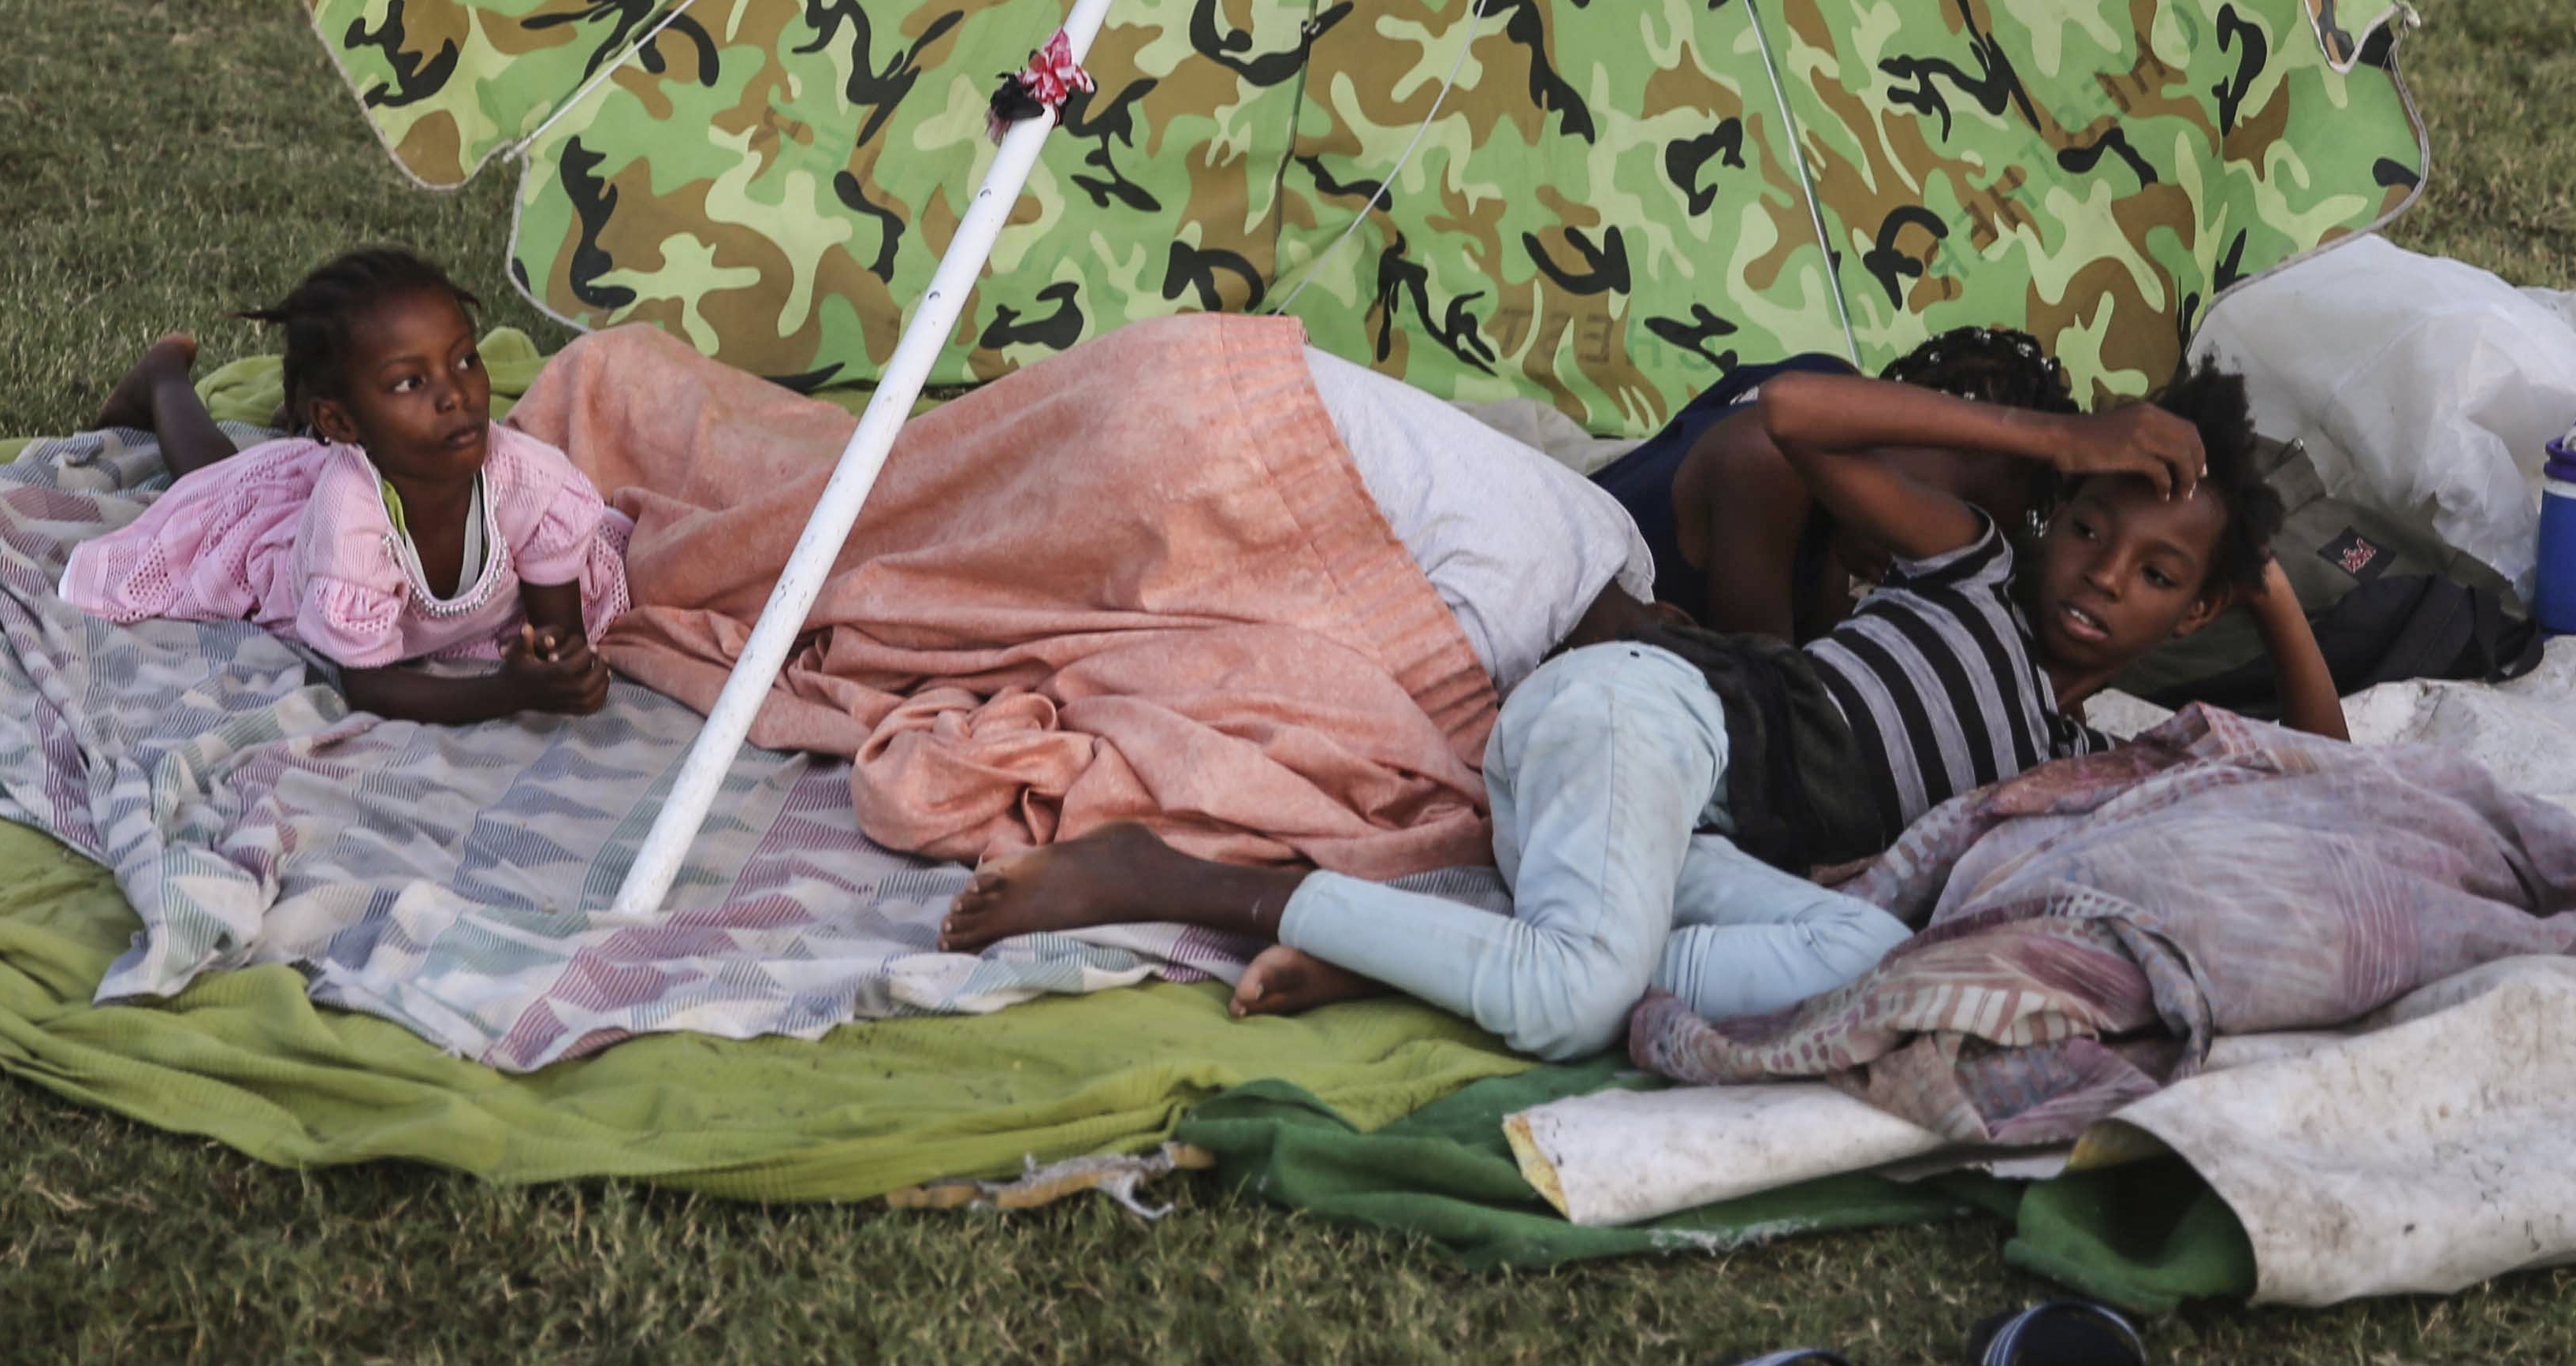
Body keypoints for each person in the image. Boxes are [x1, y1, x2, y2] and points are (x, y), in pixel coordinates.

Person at [937, 363, 2349, 1060]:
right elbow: (1790, 417)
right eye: (2089, 531)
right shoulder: (1972, 572)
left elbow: (2320, 776)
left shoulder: (2070, 754)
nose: (2103, 576)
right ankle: (1190, 881)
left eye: (2158, 574)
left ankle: (1432, 949)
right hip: (1647, 716)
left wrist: (2270, 590)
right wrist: (2053, 443)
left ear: (2199, 614)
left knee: (1867, 951)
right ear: (2047, 523)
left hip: (1674, 823)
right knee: (1572, 1007)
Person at [67, 248, 627, 724]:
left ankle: (282, 413)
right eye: (411, 381)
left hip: (371, 479)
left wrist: (560, 665)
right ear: (341, 422)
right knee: (217, 497)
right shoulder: (351, 521)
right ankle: (162, 380)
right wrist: (509, 694)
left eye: (465, 359)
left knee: (236, 485)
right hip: (294, 560)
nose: (457, 394)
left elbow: (559, 631)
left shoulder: (532, 482)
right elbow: (370, 687)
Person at [1589, 325, 2072, 643]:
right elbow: (1771, 709)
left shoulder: (1826, 378)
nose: (1928, 539)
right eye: (1946, 507)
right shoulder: (1769, 460)